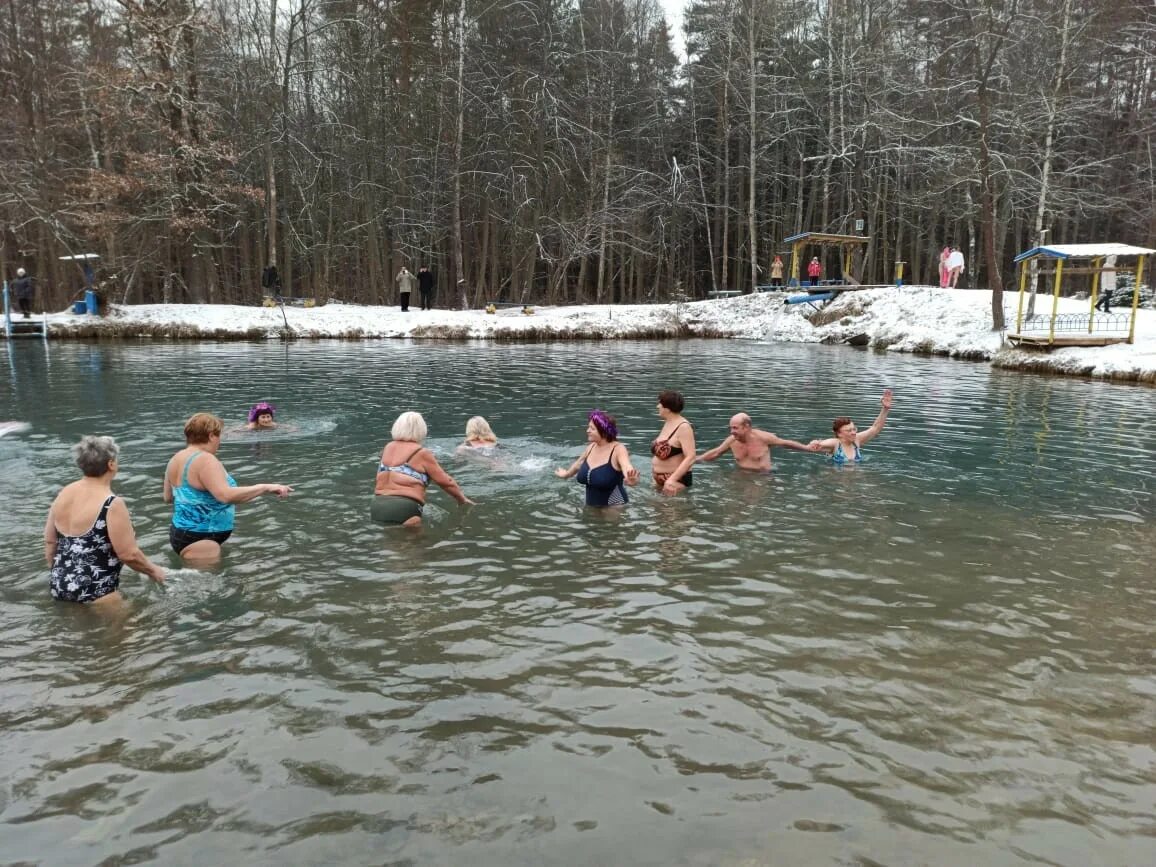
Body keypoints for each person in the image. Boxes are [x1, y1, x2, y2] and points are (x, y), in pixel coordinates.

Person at [43, 435, 166, 606]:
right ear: (111, 464)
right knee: (129, 631)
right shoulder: (111, 503)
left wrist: (59, 574)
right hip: (98, 591)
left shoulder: (63, 493)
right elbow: (129, 554)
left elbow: (50, 541)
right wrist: (154, 571)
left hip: (60, 584)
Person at [163, 412, 293, 564]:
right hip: (202, 538)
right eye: (219, 436)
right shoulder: (206, 460)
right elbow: (225, 496)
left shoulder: (175, 458)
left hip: (181, 533)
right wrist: (264, 487)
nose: (220, 441)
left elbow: (168, 497)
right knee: (206, 586)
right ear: (211, 435)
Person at [373, 411, 474, 525]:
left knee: (390, 540)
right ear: (421, 430)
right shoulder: (421, 453)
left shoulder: (387, 448)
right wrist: (462, 499)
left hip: (378, 506)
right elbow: (446, 482)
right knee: (416, 542)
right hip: (405, 507)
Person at [555, 410, 640, 507]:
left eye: (592, 428)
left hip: (613, 506)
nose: (587, 430)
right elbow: (579, 464)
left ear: (604, 431)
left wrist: (631, 479)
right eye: (588, 427)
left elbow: (626, 465)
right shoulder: (591, 447)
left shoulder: (618, 449)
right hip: (591, 506)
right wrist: (566, 474)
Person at [696, 413, 816, 471]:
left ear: (746, 427)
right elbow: (716, 453)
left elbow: (785, 443)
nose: (732, 431)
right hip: (740, 475)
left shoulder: (764, 438)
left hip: (762, 478)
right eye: (731, 428)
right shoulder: (732, 440)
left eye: (735, 428)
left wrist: (807, 448)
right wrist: (695, 459)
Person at [808, 389, 893, 465]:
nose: (853, 433)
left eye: (854, 429)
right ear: (839, 433)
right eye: (849, 430)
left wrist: (885, 409)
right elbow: (818, 445)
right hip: (836, 479)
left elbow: (875, 428)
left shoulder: (856, 440)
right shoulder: (835, 444)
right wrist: (815, 443)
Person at [650, 390, 696, 494]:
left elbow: (691, 457)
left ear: (667, 408)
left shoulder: (684, 427)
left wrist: (671, 480)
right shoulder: (668, 422)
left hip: (675, 483)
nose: (658, 406)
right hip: (660, 482)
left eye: (660, 404)